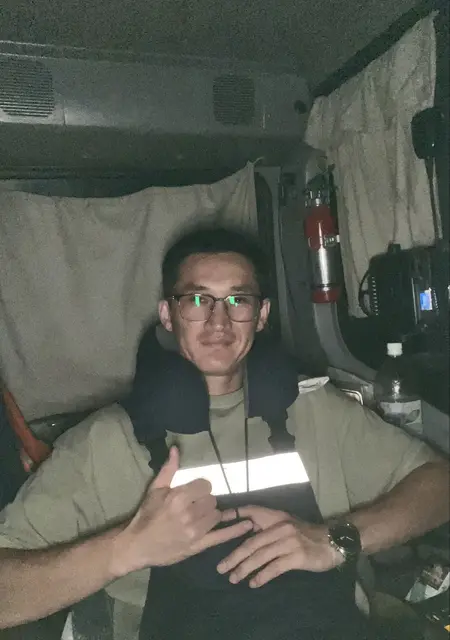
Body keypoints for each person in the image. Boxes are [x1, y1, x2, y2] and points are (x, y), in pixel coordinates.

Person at [0, 226, 448, 639]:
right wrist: (123, 550)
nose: (219, 321)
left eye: (239, 300)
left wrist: (334, 540)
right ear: (168, 315)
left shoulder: (314, 411)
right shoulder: (109, 441)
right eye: (198, 300)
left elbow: (439, 484)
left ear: (261, 315)